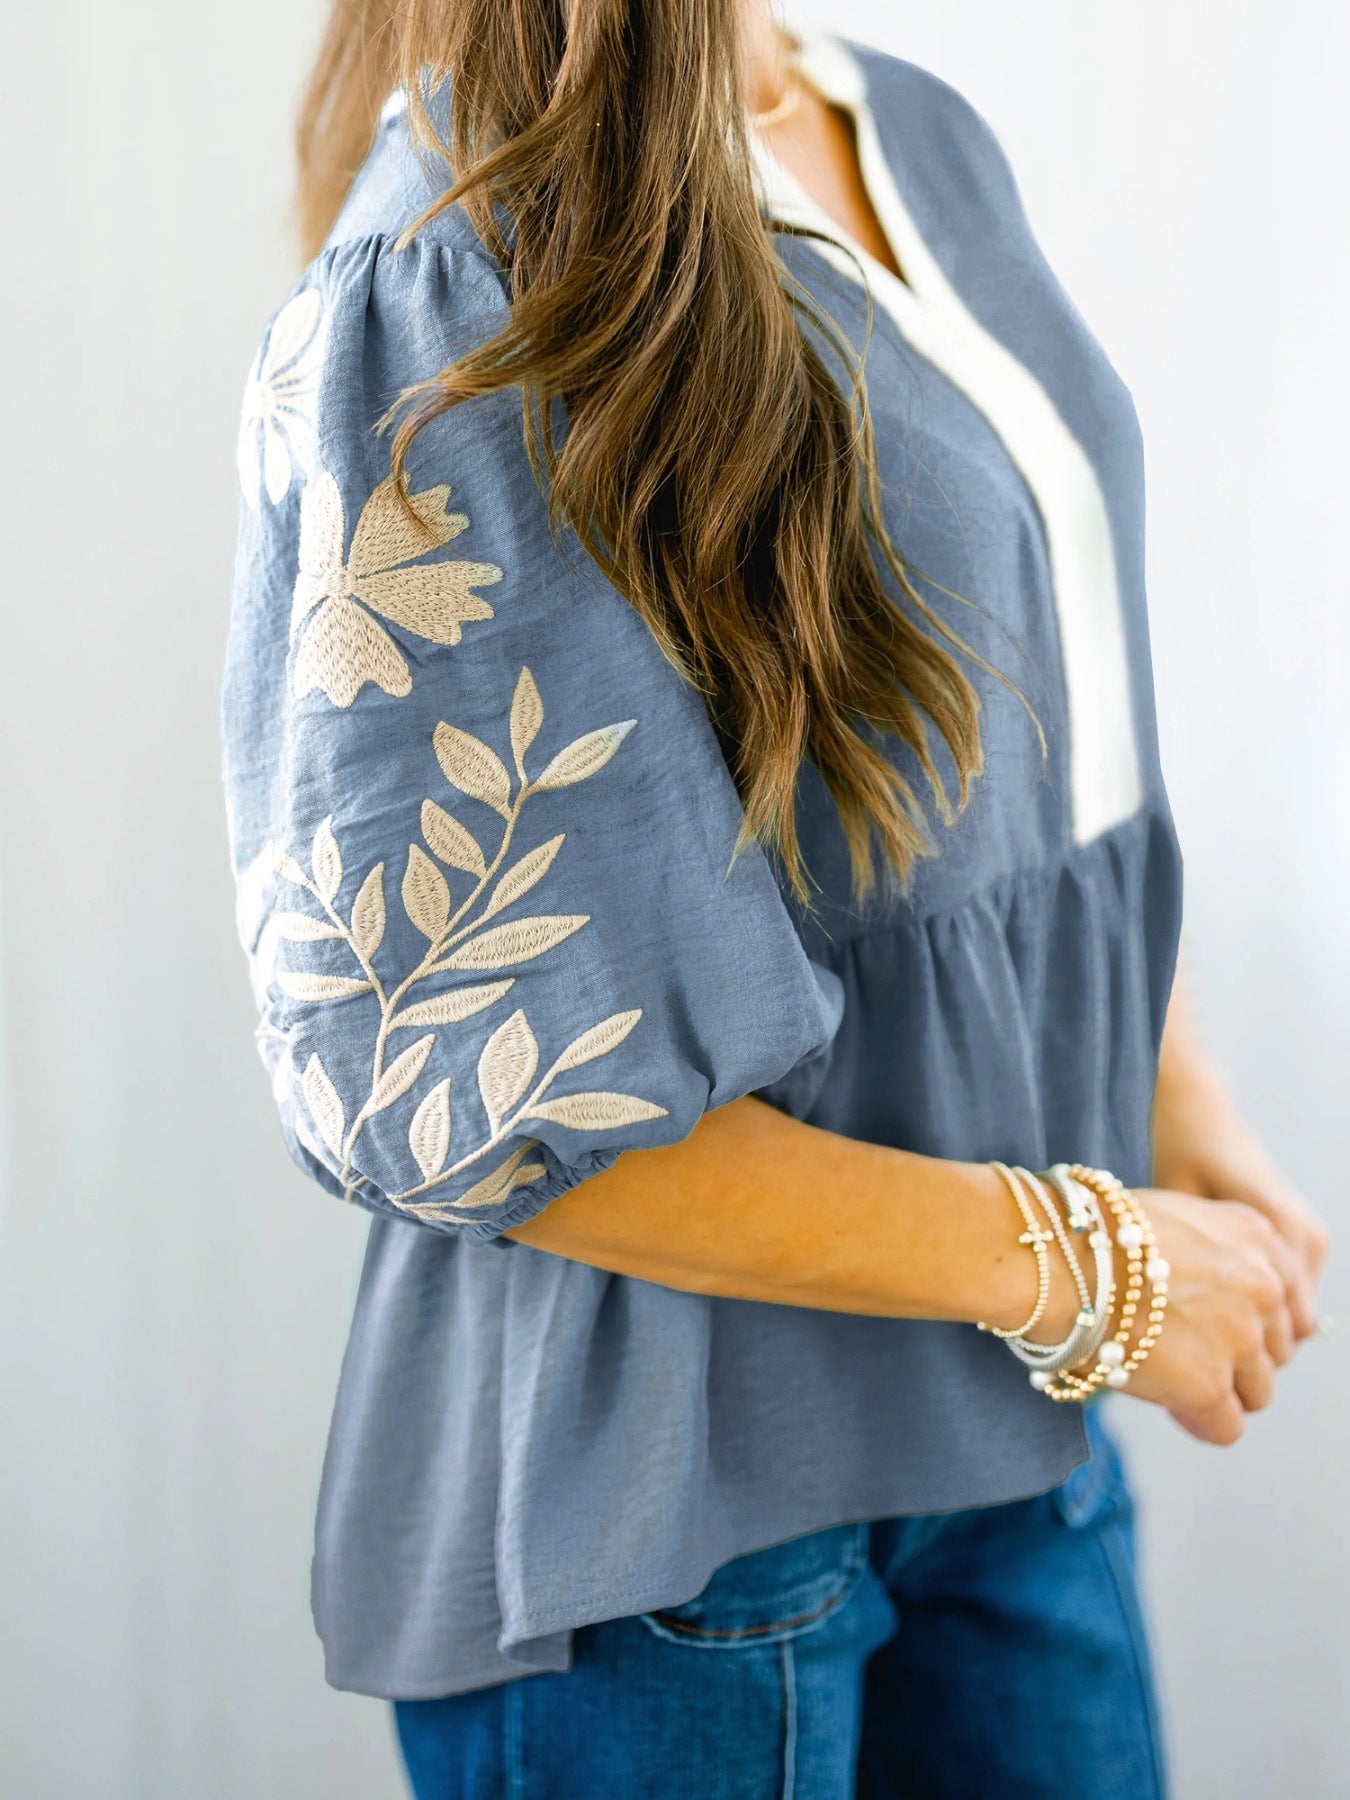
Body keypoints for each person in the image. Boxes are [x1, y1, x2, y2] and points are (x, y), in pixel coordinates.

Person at [223, 3, 1330, 1794]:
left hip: (1005, 1409)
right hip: (680, 1507)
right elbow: (490, 1100)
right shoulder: (449, 269)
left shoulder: (903, 124)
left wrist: (1168, 1099)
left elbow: (1031, 749)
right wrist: (1090, 1267)